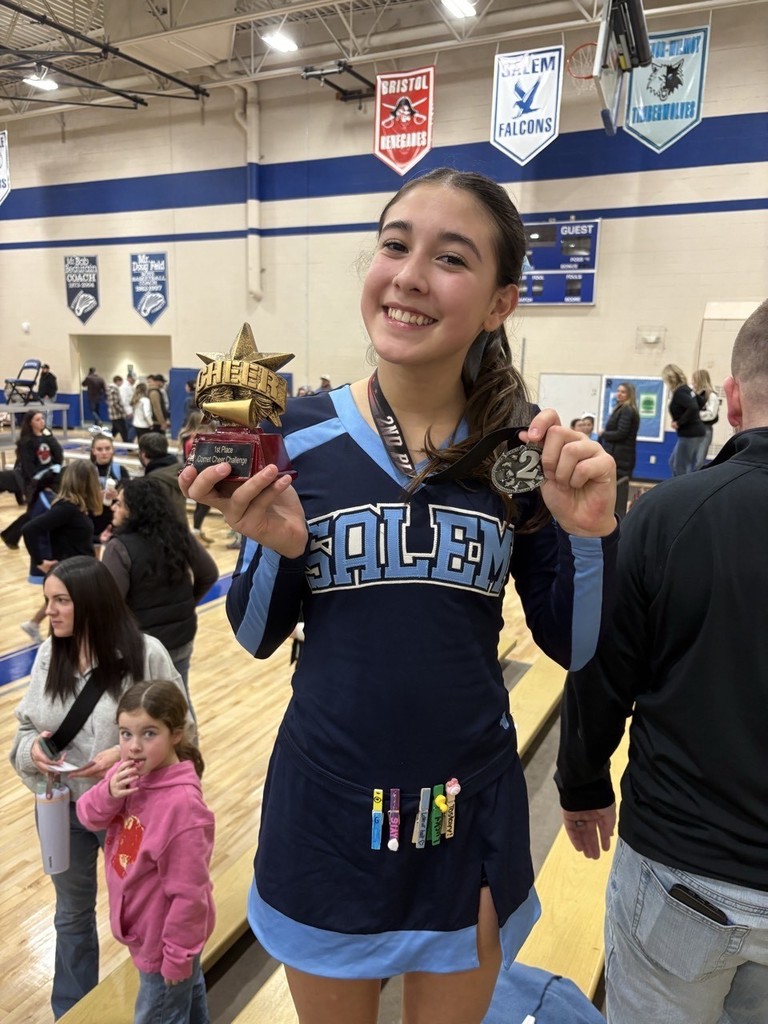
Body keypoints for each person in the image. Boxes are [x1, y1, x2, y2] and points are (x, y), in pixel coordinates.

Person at [179, 168, 618, 1024]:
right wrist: (275, 550)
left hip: (467, 817)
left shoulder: (519, 453)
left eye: (450, 257)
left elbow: (575, 644)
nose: (410, 274)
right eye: (394, 245)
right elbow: (257, 637)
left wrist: (589, 536)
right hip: (327, 812)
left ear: (499, 303)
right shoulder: (297, 435)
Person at [555, 298, 768, 1024]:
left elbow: (604, 667)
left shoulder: (671, 515)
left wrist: (582, 784)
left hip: (684, 874)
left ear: (732, 400)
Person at [9, 556, 184, 1019]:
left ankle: (167, 1007)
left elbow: (185, 737)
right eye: (48, 601)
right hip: (62, 806)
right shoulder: (51, 653)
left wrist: (122, 757)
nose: (52, 612)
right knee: (70, 915)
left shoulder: (147, 655)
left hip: (130, 811)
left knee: (148, 919)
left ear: (93, 602)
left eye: (62, 600)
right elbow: (26, 728)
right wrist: (33, 753)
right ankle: (72, 1012)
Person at [76, 681, 215, 1024]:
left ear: (176, 734)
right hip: (147, 934)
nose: (133, 747)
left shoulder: (182, 808)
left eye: (149, 734)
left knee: (161, 1012)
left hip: (164, 942)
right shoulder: (127, 775)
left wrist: (177, 956)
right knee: (189, 999)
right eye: (125, 734)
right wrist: (109, 791)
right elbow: (87, 814)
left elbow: (190, 894)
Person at [101, 477, 218, 694]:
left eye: (119, 503)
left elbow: (109, 603)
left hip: (139, 644)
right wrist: (186, 604)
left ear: (133, 510)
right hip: (181, 636)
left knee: (139, 707)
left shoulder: (118, 547)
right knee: (178, 700)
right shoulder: (179, 534)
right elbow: (209, 574)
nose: (114, 508)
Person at [20, 459, 103, 642]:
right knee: (67, 627)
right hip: (70, 574)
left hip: (79, 573)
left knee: (69, 625)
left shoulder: (77, 508)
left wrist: (100, 539)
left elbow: (77, 537)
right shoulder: (67, 508)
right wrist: (40, 561)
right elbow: (29, 529)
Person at [1, 410, 64, 549]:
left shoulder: (47, 438)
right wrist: (41, 484)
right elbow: (30, 469)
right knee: (35, 513)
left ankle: (10, 535)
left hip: (49, 480)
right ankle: (11, 535)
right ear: (30, 423)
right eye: (37, 419)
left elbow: (59, 456)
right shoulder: (26, 443)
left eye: (42, 418)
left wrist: (50, 438)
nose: (42, 421)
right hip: (35, 484)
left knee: (33, 513)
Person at [599, 382, 640, 517]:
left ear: (629, 394)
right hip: (618, 454)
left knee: (618, 493)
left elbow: (622, 433)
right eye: (618, 391)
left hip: (621, 457)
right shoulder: (621, 408)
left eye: (623, 392)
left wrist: (603, 434)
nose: (619, 394)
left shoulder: (627, 410)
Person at [662, 363, 705, 476]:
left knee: (680, 466)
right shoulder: (686, 389)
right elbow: (700, 402)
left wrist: (679, 422)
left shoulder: (680, 392)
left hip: (690, 434)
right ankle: (680, 488)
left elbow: (694, 407)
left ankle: (682, 491)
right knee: (673, 463)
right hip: (694, 432)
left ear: (669, 379)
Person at [89, 432, 131, 546]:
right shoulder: (87, 470)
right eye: (99, 449)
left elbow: (129, 497)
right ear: (93, 451)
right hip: (91, 518)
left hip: (113, 519)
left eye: (107, 448)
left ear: (113, 450)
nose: (104, 453)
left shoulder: (120, 470)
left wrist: (117, 495)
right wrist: (94, 495)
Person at [138, 431, 187, 526]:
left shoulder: (149, 482)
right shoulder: (180, 471)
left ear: (143, 453)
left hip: (161, 533)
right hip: (181, 528)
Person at [179, 410, 212, 543]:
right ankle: (196, 532)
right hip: (197, 472)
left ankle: (197, 529)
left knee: (202, 504)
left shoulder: (186, 436)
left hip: (194, 471)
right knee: (203, 504)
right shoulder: (194, 439)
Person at [692, 367, 721, 469]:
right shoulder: (694, 394)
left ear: (700, 380)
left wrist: (696, 414)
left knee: (699, 461)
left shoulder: (711, 396)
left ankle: (695, 483)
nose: (693, 383)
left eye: (694, 380)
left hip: (705, 430)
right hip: (692, 429)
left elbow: (711, 414)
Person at [106, 375, 130, 441]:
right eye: (121, 382)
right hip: (117, 415)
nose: (121, 384)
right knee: (124, 431)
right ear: (118, 381)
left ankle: (106, 440)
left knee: (115, 430)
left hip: (113, 414)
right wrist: (123, 412)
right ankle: (128, 447)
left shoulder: (109, 389)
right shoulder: (114, 389)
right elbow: (115, 403)